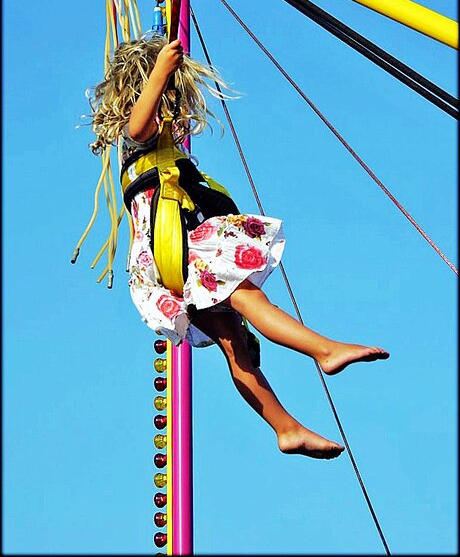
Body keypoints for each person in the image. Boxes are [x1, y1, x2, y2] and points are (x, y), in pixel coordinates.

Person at [89, 33, 389, 460]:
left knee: (234, 344)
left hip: (164, 263)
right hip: (178, 248)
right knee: (247, 296)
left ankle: (285, 428)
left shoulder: (159, 151)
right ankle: (324, 349)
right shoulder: (138, 136)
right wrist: (161, 71)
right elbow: (139, 123)